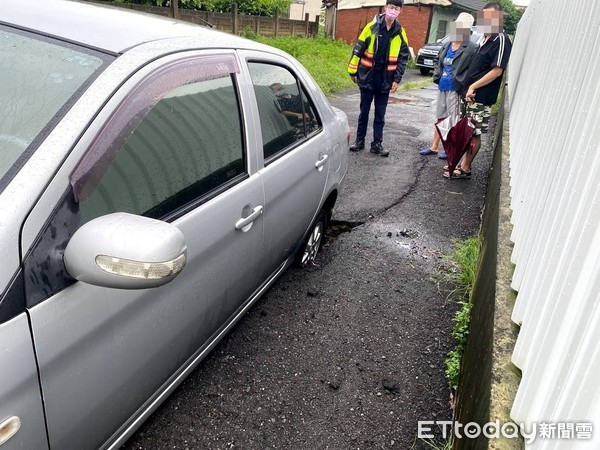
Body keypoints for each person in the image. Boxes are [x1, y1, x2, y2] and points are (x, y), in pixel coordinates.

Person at [444, 2, 512, 179]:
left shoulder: (501, 39)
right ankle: (459, 162)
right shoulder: (485, 38)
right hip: (470, 96)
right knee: (467, 131)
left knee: (474, 133)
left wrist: (473, 86)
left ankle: (466, 167)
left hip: (480, 96)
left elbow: (497, 70)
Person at [347, 0, 409, 157]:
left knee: (380, 115)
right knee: (364, 112)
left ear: (400, 11)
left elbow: (403, 58)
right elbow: (358, 49)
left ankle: (377, 144)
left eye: (396, 8)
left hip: (385, 80)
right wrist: (353, 71)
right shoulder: (371, 27)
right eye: (391, 7)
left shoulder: (400, 32)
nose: (393, 11)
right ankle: (359, 141)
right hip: (368, 77)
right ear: (385, 7)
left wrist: (397, 79)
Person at [419, 12, 476, 160]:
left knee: (452, 119)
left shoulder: (470, 47)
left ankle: (449, 148)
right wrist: (437, 75)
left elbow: (472, 69)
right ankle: (434, 147)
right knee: (440, 117)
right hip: (443, 86)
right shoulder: (446, 45)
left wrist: (463, 83)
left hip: (455, 88)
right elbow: (438, 61)